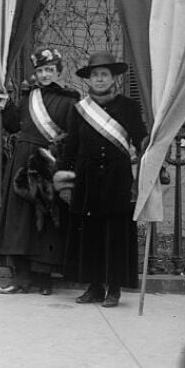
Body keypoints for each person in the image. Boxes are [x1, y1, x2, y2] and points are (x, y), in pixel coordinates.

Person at [56, 51, 147, 308]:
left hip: (117, 179)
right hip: (87, 179)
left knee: (116, 235)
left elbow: (141, 138)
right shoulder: (79, 110)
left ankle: (114, 289)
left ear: (113, 78)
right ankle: (94, 287)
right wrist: (64, 181)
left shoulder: (128, 106)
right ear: (89, 80)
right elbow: (70, 147)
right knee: (91, 235)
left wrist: (153, 162)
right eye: (95, 75)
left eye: (104, 75)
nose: (99, 79)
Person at [0, 47, 79, 295]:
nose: (45, 75)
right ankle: (20, 277)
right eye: (40, 71)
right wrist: (5, 107)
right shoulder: (29, 97)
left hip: (48, 163)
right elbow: (14, 125)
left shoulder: (70, 100)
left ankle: (44, 278)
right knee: (19, 220)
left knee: (46, 220)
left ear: (59, 71)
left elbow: (72, 137)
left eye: (50, 70)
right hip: (21, 162)